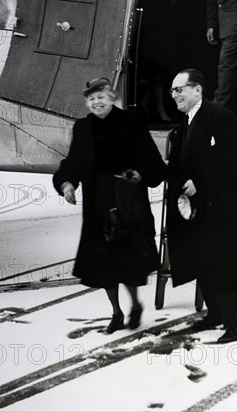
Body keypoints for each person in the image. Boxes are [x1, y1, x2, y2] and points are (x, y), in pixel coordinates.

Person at [53, 78, 166, 333]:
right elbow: (72, 162)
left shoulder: (131, 122)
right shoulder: (82, 127)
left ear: (112, 97)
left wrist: (139, 175)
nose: (96, 102)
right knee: (104, 265)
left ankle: (135, 303)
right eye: (91, 99)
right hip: (97, 206)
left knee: (129, 262)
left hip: (128, 204)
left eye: (101, 97)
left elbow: (153, 162)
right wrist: (67, 183)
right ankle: (116, 312)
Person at [166, 69, 237, 343]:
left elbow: (231, 157)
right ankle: (217, 314)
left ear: (197, 90)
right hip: (201, 210)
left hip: (224, 208)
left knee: (227, 264)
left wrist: (200, 182)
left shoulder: (219, 116)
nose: (175, 95)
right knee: (205, 261)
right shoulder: (186, 122)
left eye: (180, 89)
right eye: (172, 91)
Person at [138, 0, 178, 122]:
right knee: (152, 73)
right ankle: (155, 108)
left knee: (157, 73)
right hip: (150, 27)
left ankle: (149, 105)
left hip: (160, 26)